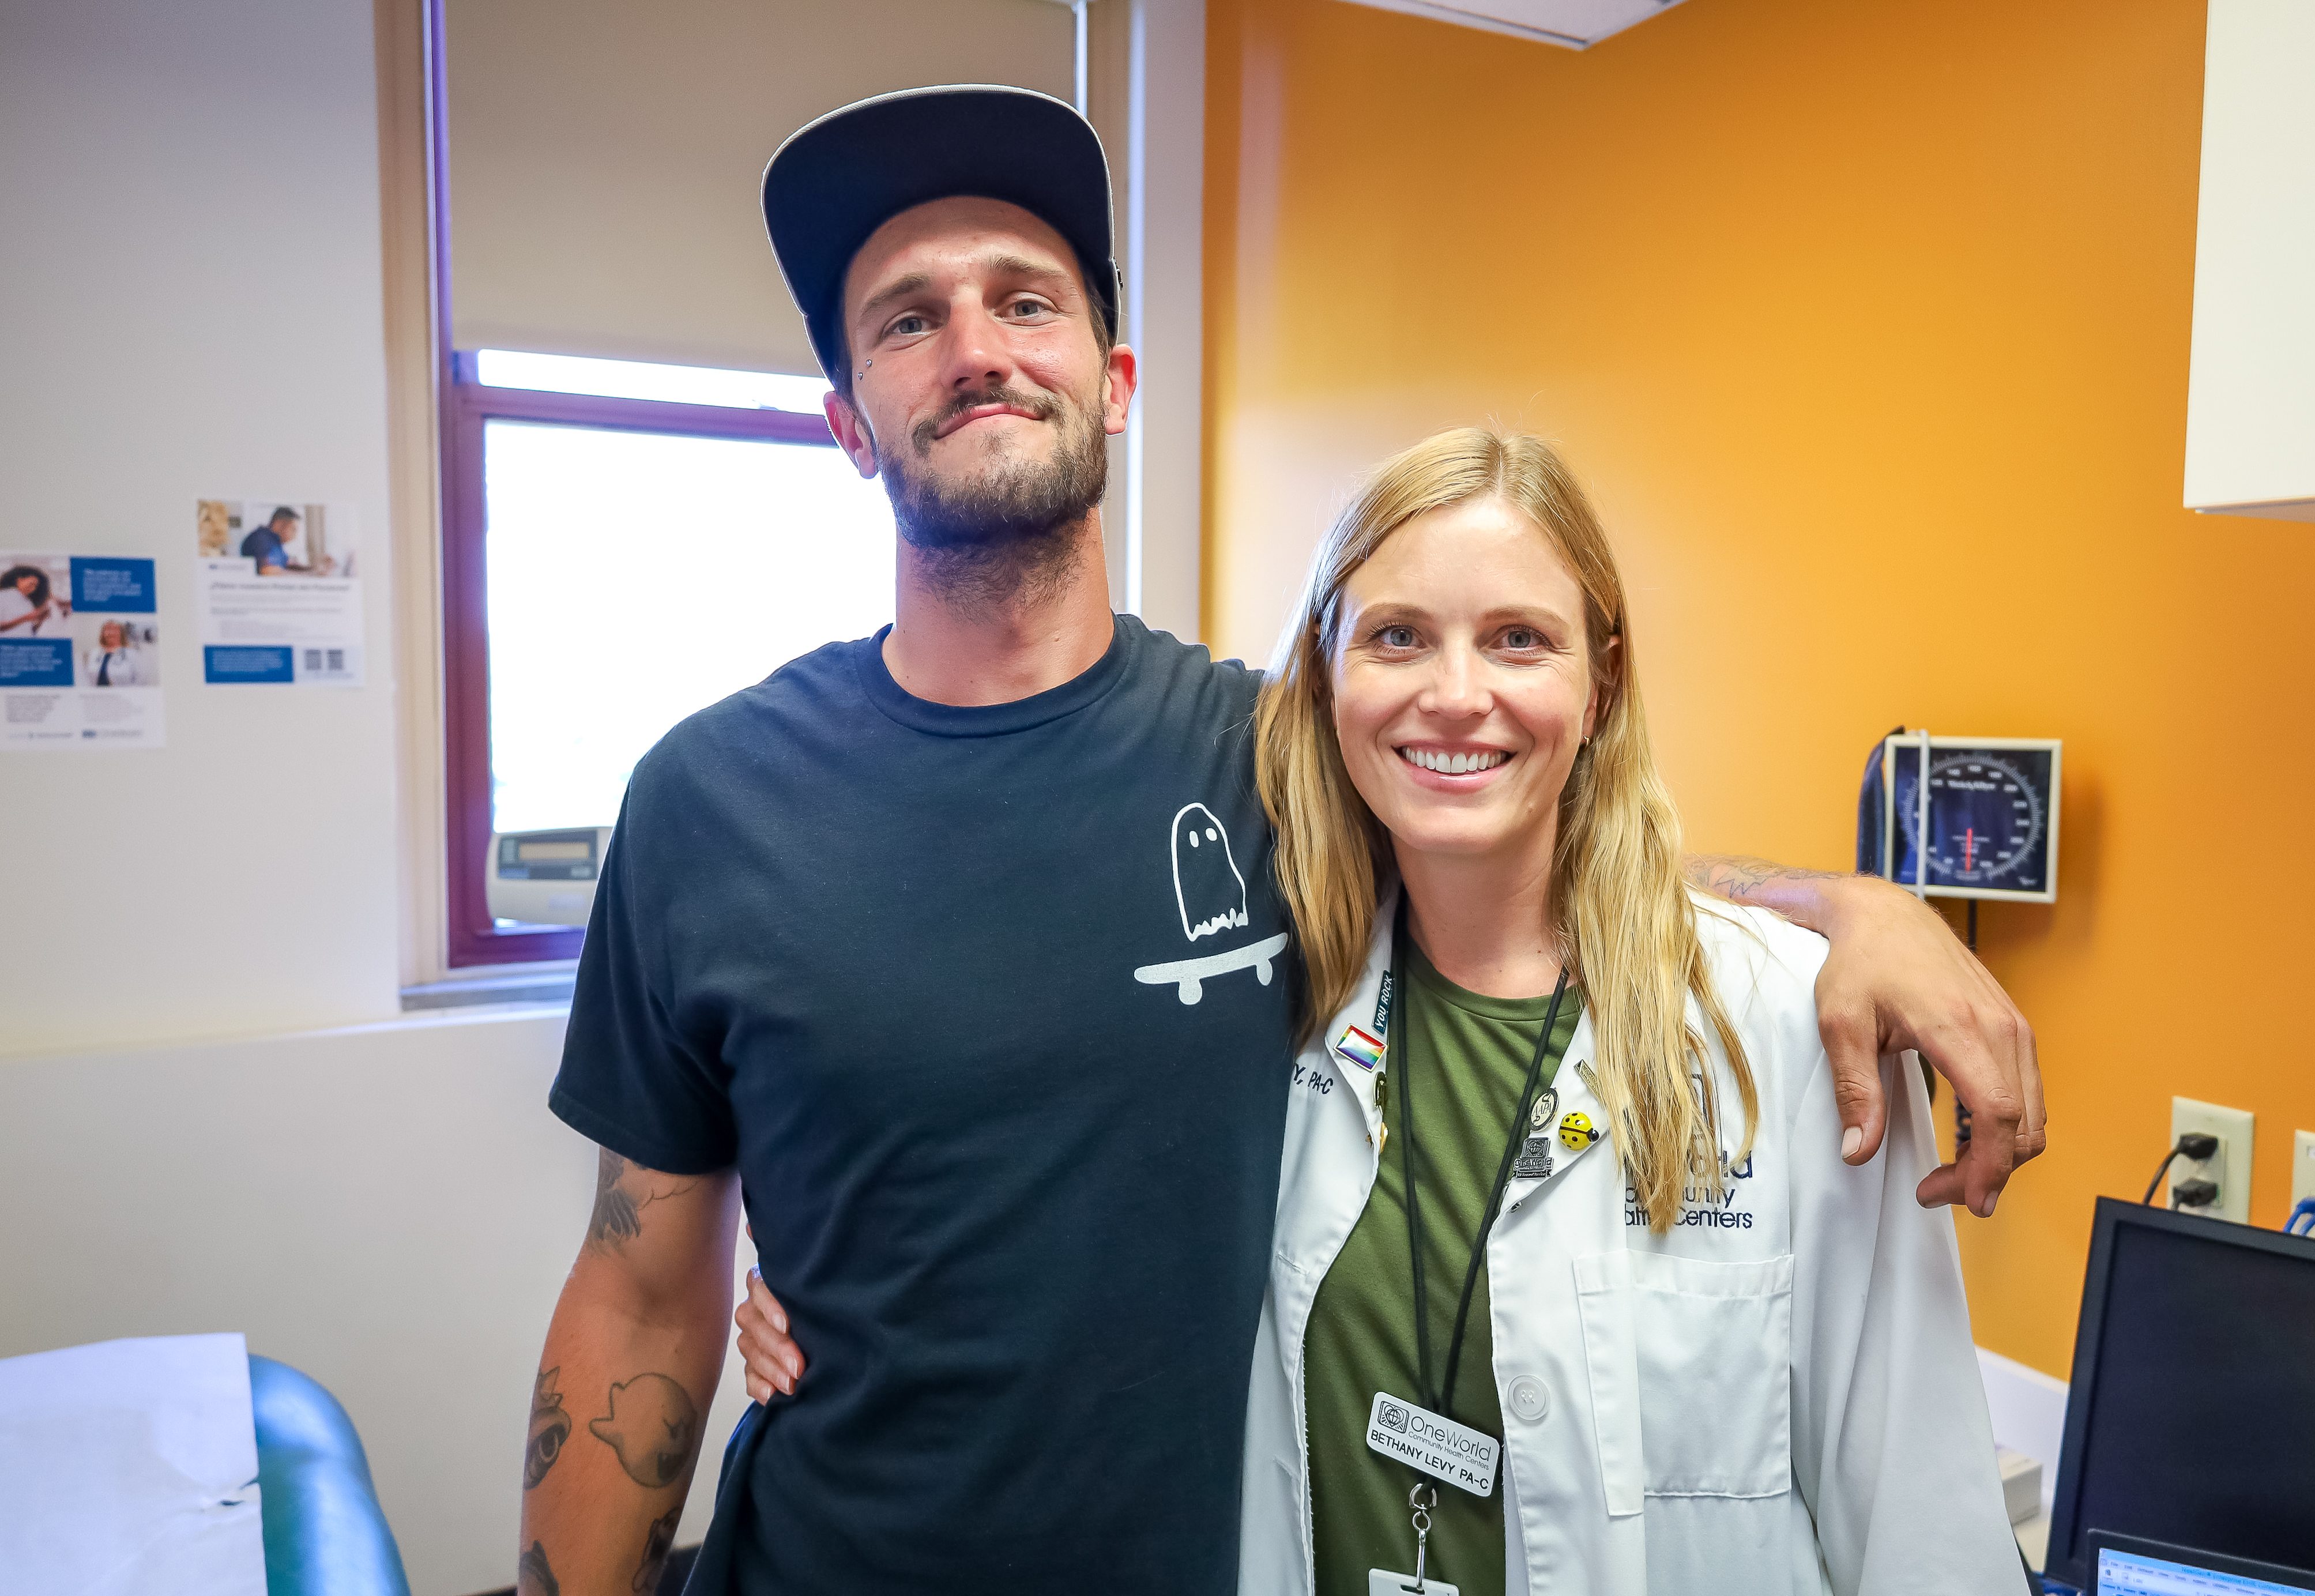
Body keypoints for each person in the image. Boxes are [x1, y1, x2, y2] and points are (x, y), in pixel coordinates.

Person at [522, 86, 2043, 1596]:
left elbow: (1527, 838)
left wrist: (1855, 910)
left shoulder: (1274, 759)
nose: (977, 347)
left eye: (1024, 302)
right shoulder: (707, 804)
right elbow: (642, 1298)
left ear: (1112, 379)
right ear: (850, 423)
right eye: (908, 320)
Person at [1234, 427, 2020, 1592]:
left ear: (1599, 684)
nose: (1456, 696)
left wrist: (1857, 911)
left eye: (1518, 640)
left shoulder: (1796, 1022)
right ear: (1326, 667)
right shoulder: (1260, 999)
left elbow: (1922, 1523)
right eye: (1398, 636)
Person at [0, 565, 64, 635]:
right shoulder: (3, 596)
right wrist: (25, 618)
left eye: (35, 586)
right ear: (20, 580)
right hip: (6, 645)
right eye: (31, 584)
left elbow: (28, 630)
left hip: (25, 644)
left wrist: (40, 621)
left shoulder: (28, 603)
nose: (33, 588)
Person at [239, 506, 303, 573]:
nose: (296, 535)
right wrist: (301, 577)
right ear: (280, 525)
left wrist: (309, 570)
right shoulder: (262, 539)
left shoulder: (275, 542)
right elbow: (267, 570)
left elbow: (286, 563)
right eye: (293, 529)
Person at [84, 620, 146, 686]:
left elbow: (141, 680)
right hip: (97, 695)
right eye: (107, 629)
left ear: (122, 633)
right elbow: (87, 678)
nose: (111, 633)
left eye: (115, 629)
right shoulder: (94, 653)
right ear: (103, 634)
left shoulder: (132, 654)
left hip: (123, 695)